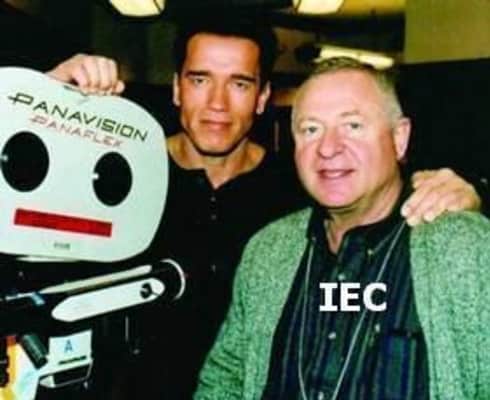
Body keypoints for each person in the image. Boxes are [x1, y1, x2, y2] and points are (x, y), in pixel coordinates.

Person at [47, 17, 484, 399]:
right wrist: (42, 101)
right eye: (200, 80)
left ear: (262, 97)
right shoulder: (113, 176)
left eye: (239, 83)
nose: (217, 103)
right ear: (177, 88)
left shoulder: (301, 190)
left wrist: (465, 204)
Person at [194, 57, 490, 400]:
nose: (328, 148)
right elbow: (227, 375)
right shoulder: (268, 250)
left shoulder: (465, 250)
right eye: (311, 129)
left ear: (399, 138)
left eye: (352, 126)